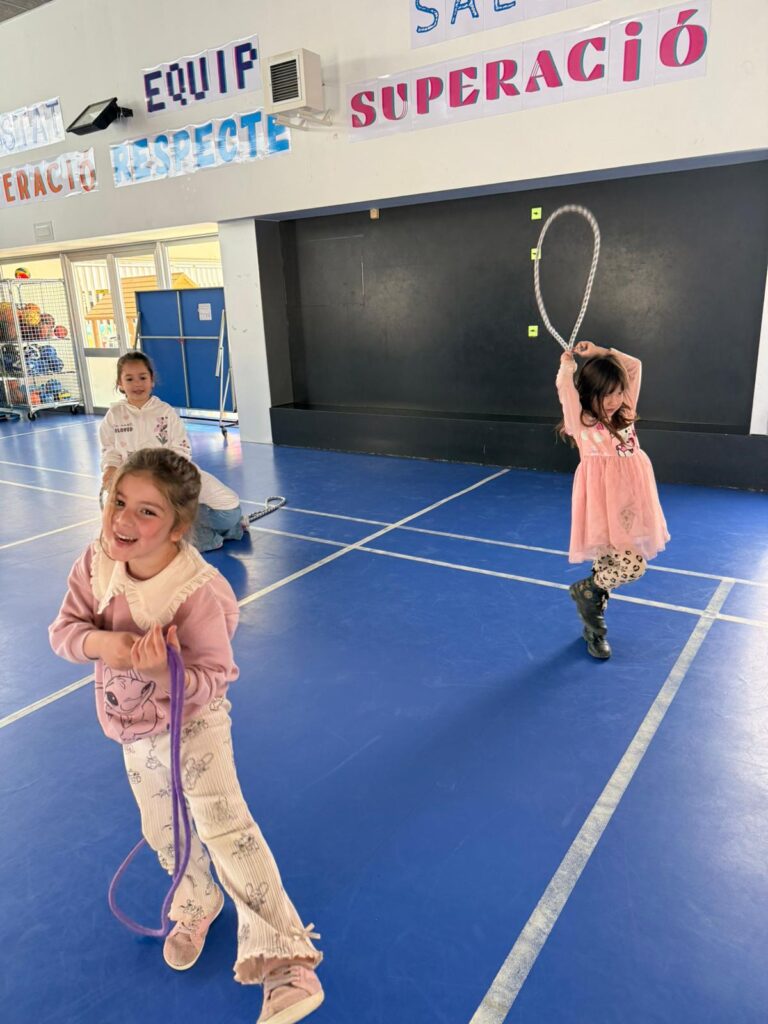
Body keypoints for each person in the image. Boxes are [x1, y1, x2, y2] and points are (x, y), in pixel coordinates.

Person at [49, 448, 324, 1024]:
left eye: (147, 512)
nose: (124, 520)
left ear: (177, 528)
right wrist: (103, 643)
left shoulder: (195, 590)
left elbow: (214, 677)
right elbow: (65, 631)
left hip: (195, 725)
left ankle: (284, 958)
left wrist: (160, 672)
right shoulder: (96, 563)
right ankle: (197, 901)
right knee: (162, 829)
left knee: (227, 830)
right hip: (134, 730)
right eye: (119, 502)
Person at [556, 341, 670, 659]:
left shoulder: (625, 411)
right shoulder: (580, 421)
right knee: (631, 566)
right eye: (606, 394)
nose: (614, 400)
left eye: (618, 392)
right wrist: (567, 367)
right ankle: (589, 595)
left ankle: (592, 610)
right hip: (601, 503)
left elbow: (633, 366)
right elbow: (565, 388)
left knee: (610, 564)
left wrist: (600, 352)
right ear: (589, 393)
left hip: (631, 500)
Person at [99, 352, 248, 552]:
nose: (137, 384)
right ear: (120, 383)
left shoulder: (165, 412)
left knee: (229, 512)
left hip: (175, 478)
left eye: (142, 377)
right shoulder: (114, 415)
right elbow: (110, 450)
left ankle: (209, 527)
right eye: (129, 379)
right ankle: (199, 535)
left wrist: (165, 475)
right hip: (140, 487)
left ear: (152, 380)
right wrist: (110, 468)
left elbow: (182, 449)